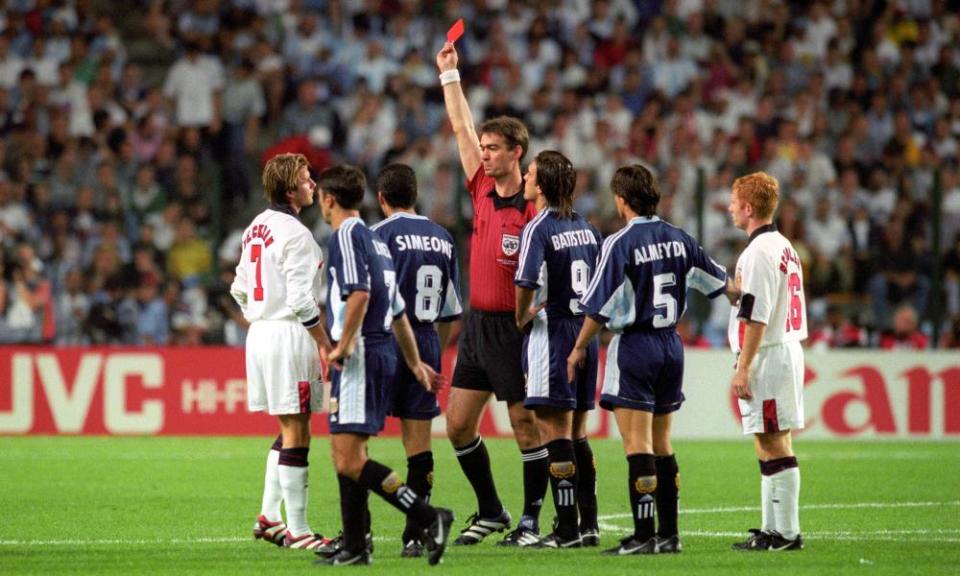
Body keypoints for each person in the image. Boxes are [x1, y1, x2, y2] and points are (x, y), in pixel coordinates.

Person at [567, 164, 733, 555]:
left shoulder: (620, 243)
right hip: (671, 347)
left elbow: (598, 307)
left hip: (636, 345)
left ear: (622, 200)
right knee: (662, 442)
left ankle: (643, 536)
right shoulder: (680, 238)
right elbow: (723, 285)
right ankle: (669, 534)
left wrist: (578, 348)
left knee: (637, 443)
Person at [436, 41, 548, 546]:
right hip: (478, 325)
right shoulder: (480, 187)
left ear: (516, 153)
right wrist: (450, 76)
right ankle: (492, 510)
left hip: (515, 327)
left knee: (525, 426)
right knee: (458, 424)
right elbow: (460, 125)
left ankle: (530, 521)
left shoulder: (533, 209)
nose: (484, 153)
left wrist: (541, 307)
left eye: (494, 148)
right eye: (483, 147)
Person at [313, 164, 453, 566]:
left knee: (350, 458)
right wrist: (416, 362)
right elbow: (398, 311)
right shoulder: (375, 243)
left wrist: (342, 344)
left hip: (362, 355)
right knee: (346, 452)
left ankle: (430, 517)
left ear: (329, 199)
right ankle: (355, 545)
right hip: (385, 350)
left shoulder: (346, 237)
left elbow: (357, 295)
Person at [229, 152, 331, 550]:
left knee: (287, 428)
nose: (313, 185)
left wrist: (260, 312)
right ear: (291, 189)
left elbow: (238, 288)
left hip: (259, 333)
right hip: (289, 334)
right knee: (298, 429)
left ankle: (270, 518)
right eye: (307, 180)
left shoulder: (255, 227)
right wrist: (323, 342)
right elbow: (303, 301)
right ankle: (300, 530)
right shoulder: (296, 234)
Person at [370, 163, 464, 558]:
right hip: (426, 340)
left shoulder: (375, 236)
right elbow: (451, 310)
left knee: (353, 444)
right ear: (416, 195)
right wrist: (433, 354)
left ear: (381, 198)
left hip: (385, 339)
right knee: (419, 446)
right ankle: (415, 535)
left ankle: (358, 533)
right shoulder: (443, 237)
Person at [514, 150, 602, 548]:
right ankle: (589, 524)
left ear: (543, 185)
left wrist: (520, 316)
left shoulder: (539, 227)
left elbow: (526, 280)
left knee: (554, 430)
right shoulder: (586, 227)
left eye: (530, 174)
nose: (525, 179)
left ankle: (566, 527)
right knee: (579, 431)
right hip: (586, 332)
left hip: (554, 332)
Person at [726, 171, 807, 551]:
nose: (729, 208)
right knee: (769, 439)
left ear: (748, 207)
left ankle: (787, 533)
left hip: (768, 356)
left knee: (774, 441)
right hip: (780, 350)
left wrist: (743, 366)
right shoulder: (783, 246)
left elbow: (757, 316)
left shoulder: (758, 252)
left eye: (733, 202)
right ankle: (771, 528)